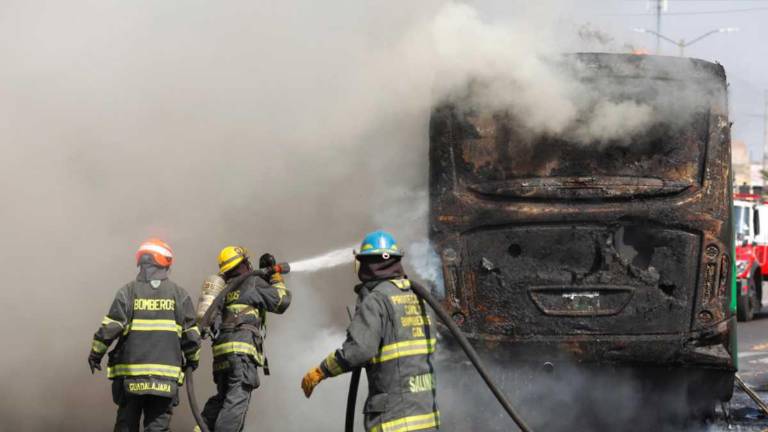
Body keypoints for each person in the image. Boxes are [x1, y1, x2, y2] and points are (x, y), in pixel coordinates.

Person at [301, 230, 440, 432]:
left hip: (395, 419)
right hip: (426, 415)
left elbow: (360, 350)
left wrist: (321, 371)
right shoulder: (419, 297)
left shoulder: (376, 299)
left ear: (365, 264)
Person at [88, 238, 201, 432]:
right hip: (164, 382)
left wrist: (95, 353)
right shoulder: (179, 295)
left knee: (126, 426)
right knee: (157, 428)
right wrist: (193, 360)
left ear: (141, 262)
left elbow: (111, 327)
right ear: (166, 262)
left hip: (131, 380)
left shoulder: (128, 292)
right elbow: (191, 336)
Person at [200, 246, 291, 431]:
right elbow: (282, 301)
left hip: (221, 355)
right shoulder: (253, 283)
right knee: (236, 402)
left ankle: (200, 428)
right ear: (243, 262)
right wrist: (276, 278)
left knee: (223, 398)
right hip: (241, 353)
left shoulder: (223, 289)